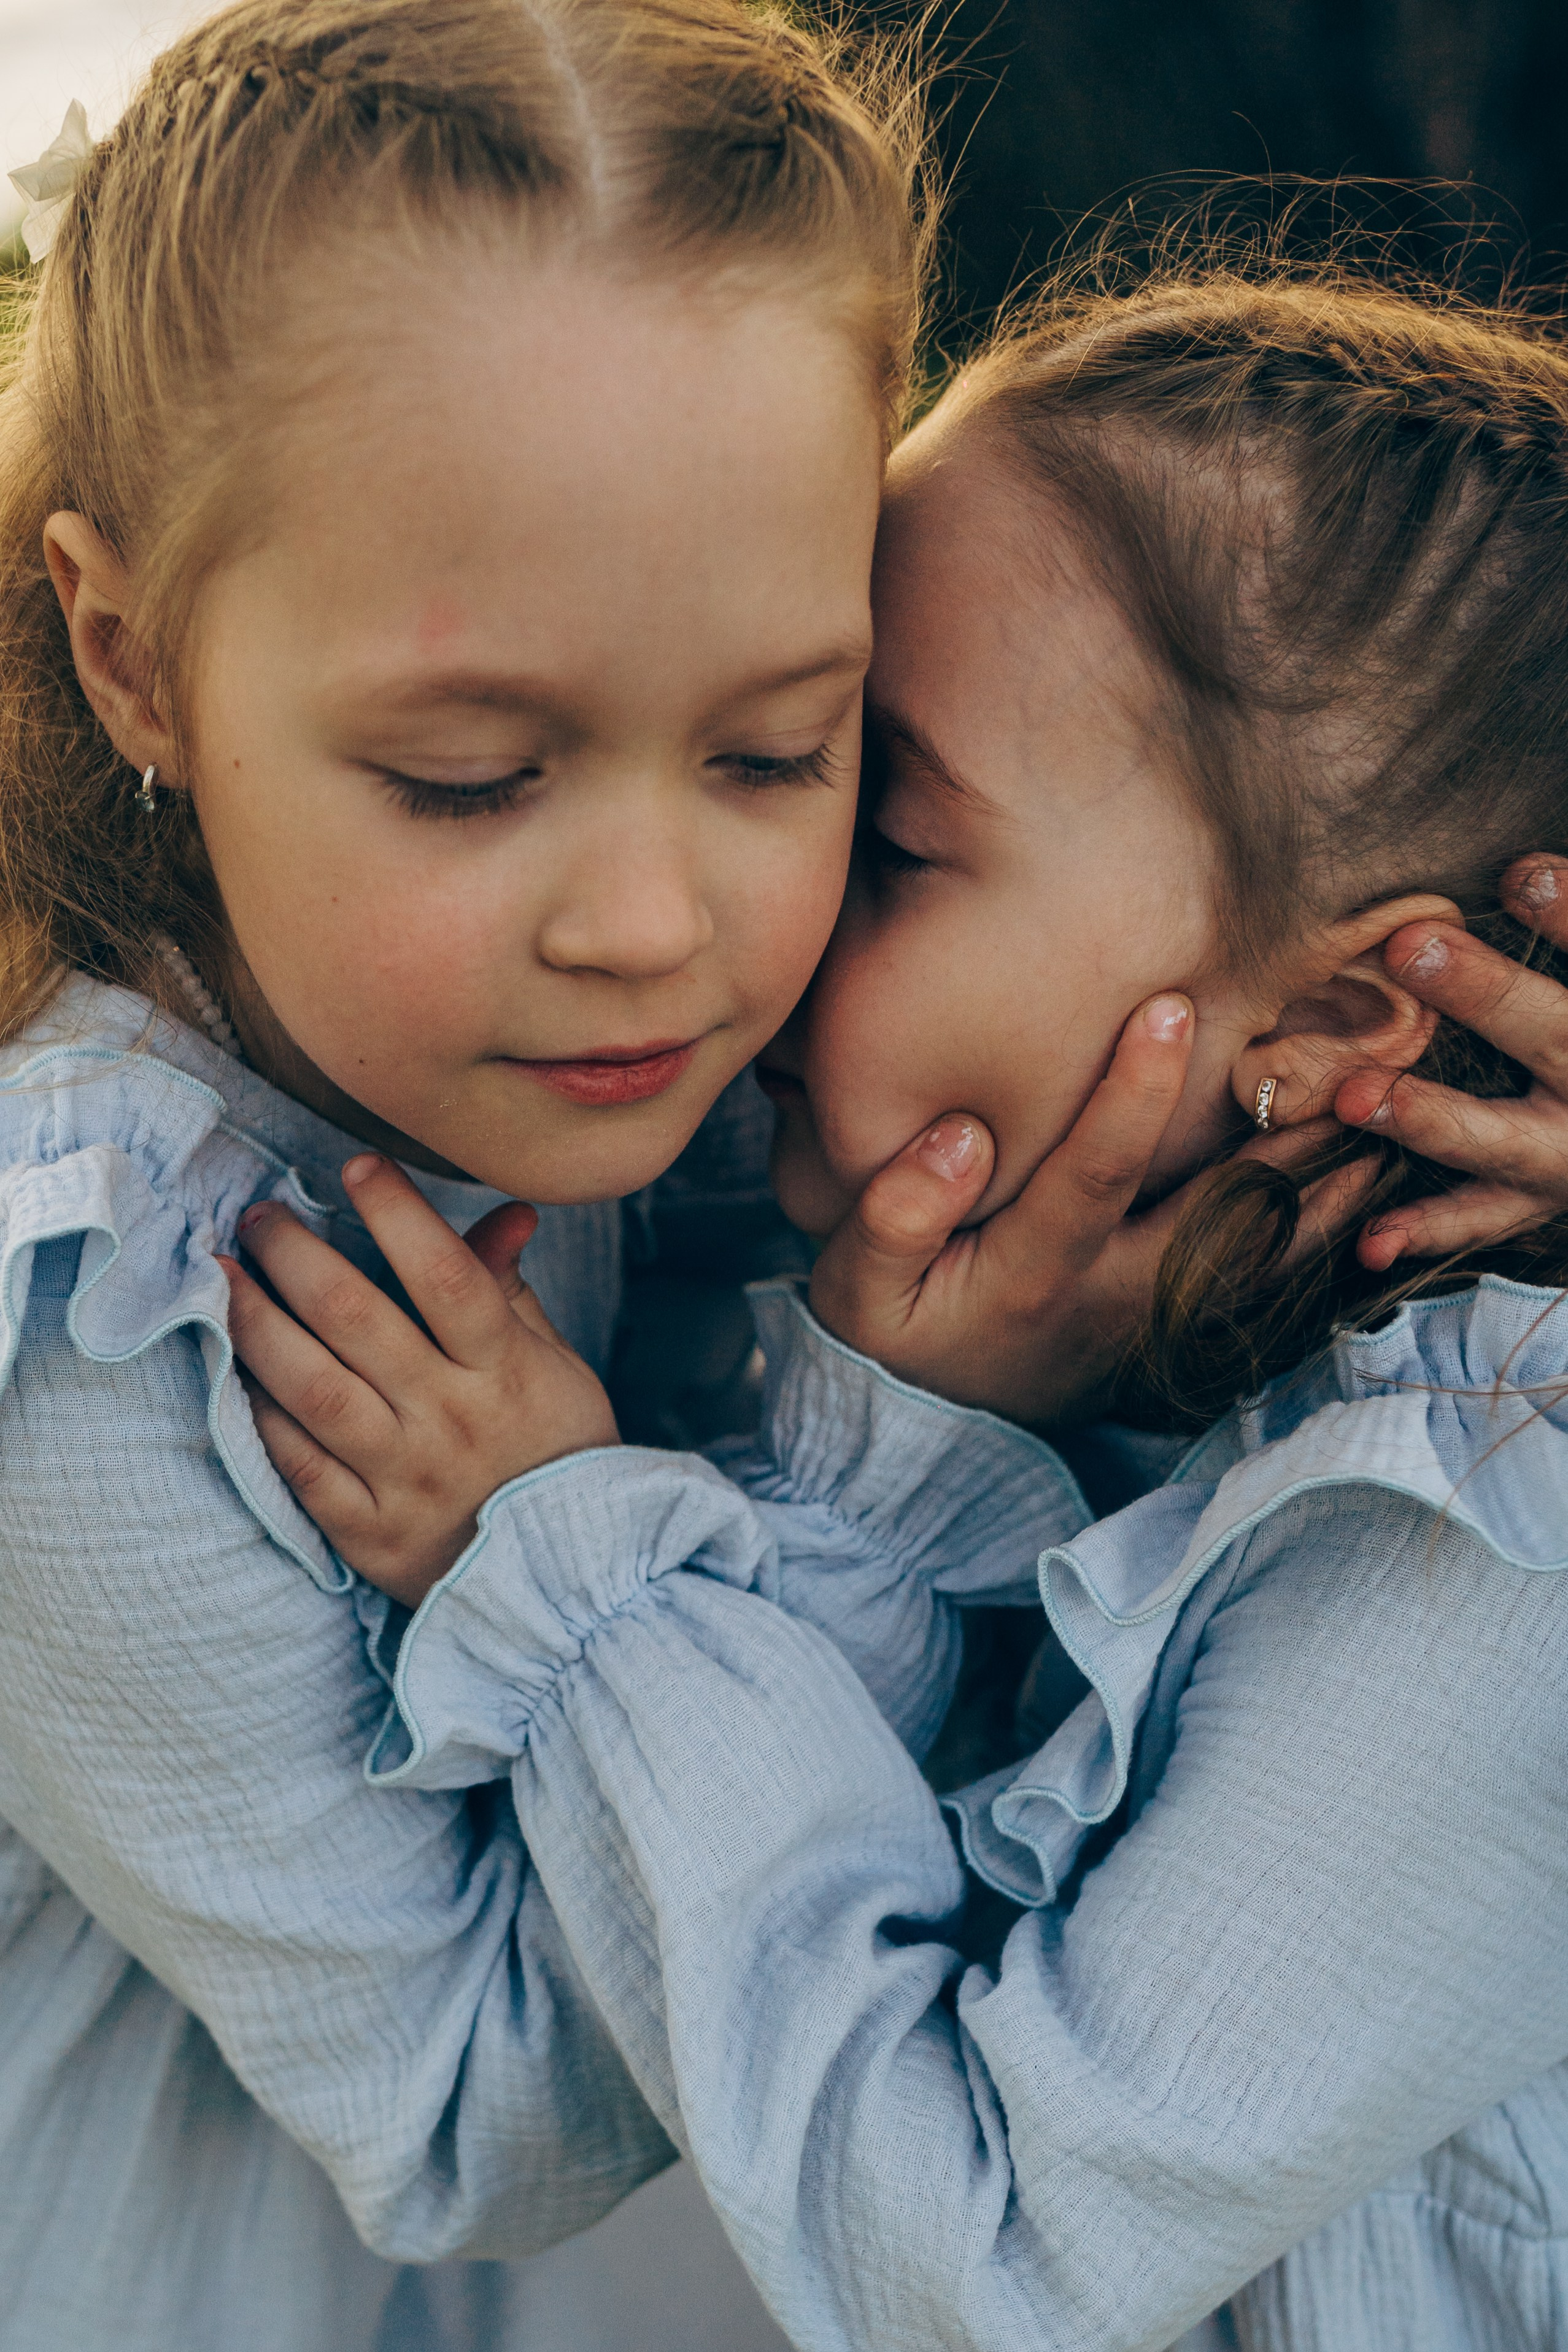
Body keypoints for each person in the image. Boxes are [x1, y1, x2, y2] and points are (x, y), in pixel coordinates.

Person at [238, 263, 1568, 2352]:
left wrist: (571, 1569)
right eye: (796, 770)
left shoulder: (1482, 1548)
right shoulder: (1165, 1339)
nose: (739, 933)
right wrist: (913, 1430)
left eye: (886, 837)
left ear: (1323, 1029)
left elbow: (978, 2263)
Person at [0, 2, 968, 2346]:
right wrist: (869, 1452)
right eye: (465, 779)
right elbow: (468, 2123)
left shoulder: (592, 1033)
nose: (648, 925)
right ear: (134, 661)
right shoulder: (97, 1329)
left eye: (778, 751)